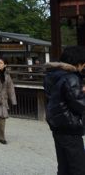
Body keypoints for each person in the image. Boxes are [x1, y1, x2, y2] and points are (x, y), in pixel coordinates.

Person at [44, 46, 85, 174]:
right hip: (70, 127)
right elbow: (80, 104)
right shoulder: (71, 78)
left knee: (64, 165)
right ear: (78, 63)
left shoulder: (52, 75)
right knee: (77, 167)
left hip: (58, 126)